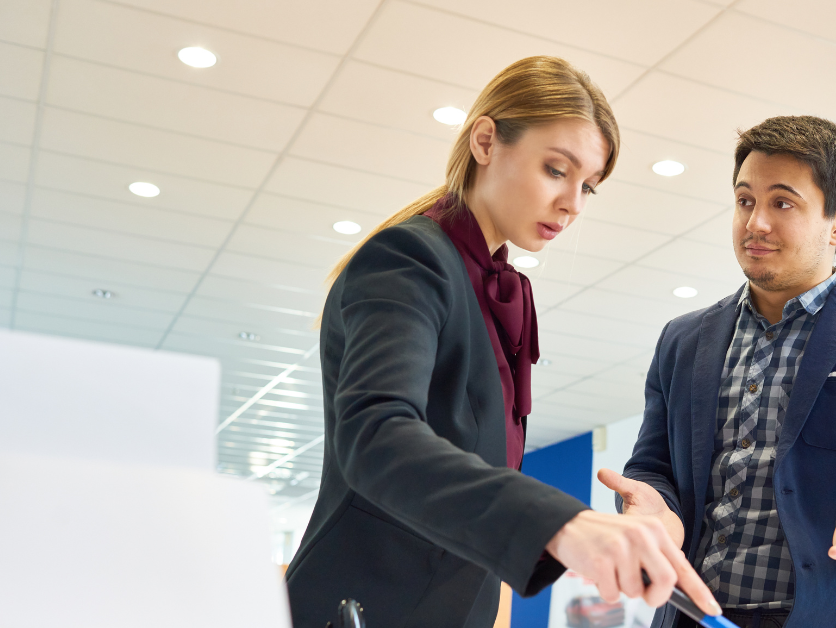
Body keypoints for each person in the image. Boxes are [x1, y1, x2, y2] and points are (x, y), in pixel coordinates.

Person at [285, 56, 720, 628]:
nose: (574, 203)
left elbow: (481, 473)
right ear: (485, 140)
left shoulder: (499, 288)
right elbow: (375, 436)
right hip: (364, 604)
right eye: (556, 170)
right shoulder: (409, 259)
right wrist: (562, 526)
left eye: (588, 185)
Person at [600, 116, 836, 628]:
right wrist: (652, 505)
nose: (756, 223)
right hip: (689, 616)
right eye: (746, 200)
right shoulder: (682, 340)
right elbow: (652, 467)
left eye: (782, 203)